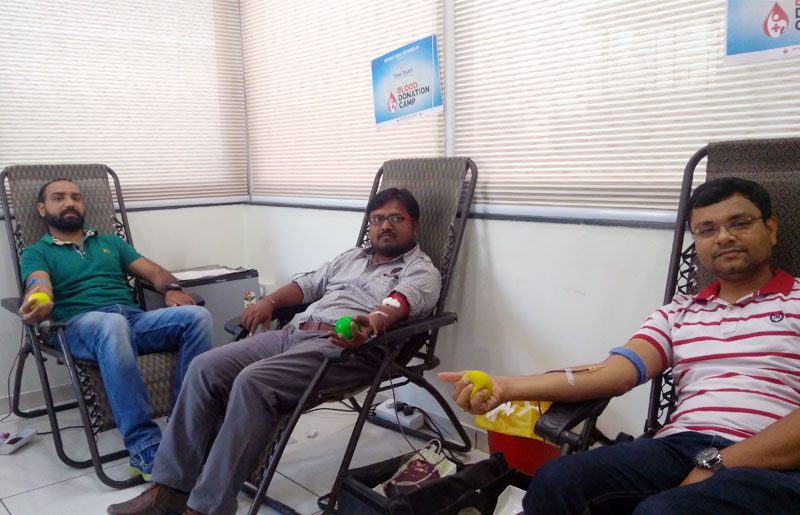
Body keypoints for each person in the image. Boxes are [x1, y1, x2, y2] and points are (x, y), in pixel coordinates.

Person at [441, 177, 800, 514]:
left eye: (739, 223)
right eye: (707, 230)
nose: (723, 237)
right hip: (680, 446)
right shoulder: (678, 313)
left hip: (777, 462)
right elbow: (612, 374)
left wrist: (720, 462)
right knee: (557, 480)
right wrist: (507, 387)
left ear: (770, 229)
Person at [108, 187, 441, 515]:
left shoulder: (421, 270)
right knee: (203, 367)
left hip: (348, 348)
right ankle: (167, 490)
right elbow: (307, 285)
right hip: (293, 333)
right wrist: (268, 302)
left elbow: (396, 304)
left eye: (395, 218)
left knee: (253, 382)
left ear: (414, 226)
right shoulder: (351, 257)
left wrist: (370, 324)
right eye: (377, 219)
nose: (384, 226)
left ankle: (209, 508)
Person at [19, 178, 214, 480]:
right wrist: (39, 299)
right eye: (59, 197)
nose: (70, 203)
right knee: (112, 323)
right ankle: (144, 447)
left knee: (197, 317)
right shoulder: (36, 252)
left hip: (131, 320)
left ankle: (185, 429)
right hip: (78, 326)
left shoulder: (111, 242)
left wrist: (171, 289)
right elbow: (38, 282)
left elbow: (156, 272)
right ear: (42, 209)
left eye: (76, 197)